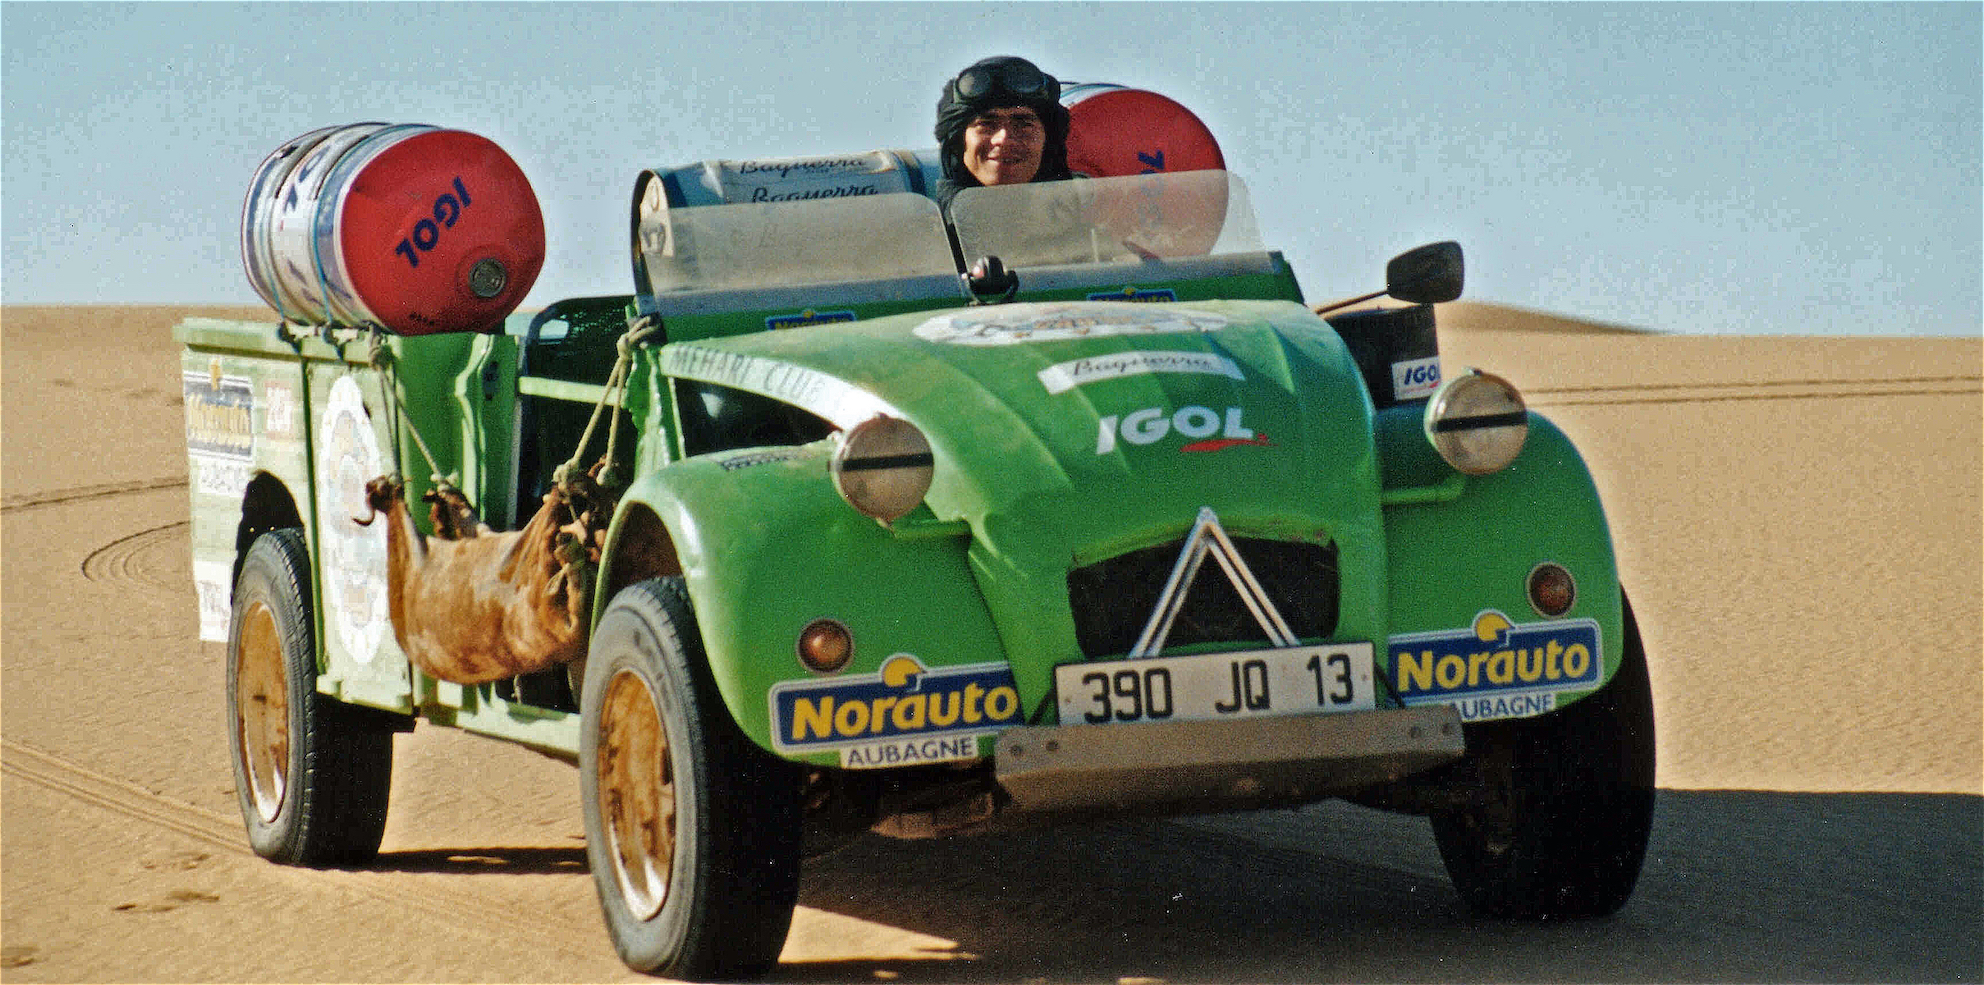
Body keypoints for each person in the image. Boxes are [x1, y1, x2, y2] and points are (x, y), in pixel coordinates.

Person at [931, 56, 1074, 214]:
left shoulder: (1092, 224)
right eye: (986, 124)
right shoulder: (920, 232)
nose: (1004, 139)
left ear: (1048, 142)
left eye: (1024, 125)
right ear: (957, 143)